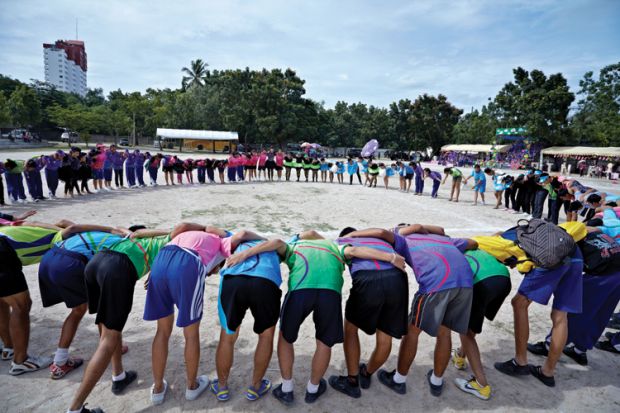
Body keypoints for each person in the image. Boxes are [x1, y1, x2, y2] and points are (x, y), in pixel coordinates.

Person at [224, 230, 406, 406]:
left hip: (300, 289)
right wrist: (391, 258)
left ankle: (286, 388)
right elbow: (356, 250)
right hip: (330, 294)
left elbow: (277, 242)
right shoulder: (334, 246)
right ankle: (313, 388)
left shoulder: (295, 245)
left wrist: (244, 254)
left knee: (286, 338)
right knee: (324, 343)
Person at [66, 223, 198, 413]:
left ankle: (118, 376)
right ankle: (75, 409)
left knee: (107, 327)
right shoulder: (164, 240)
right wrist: (171, 232)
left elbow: (137, 234)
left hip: (96, 264)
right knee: (108, 339)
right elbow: (180, 228)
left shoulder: (132, 240)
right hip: (117, 269)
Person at [145, 226, 265, 405]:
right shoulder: (219, 242)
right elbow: (243, 234)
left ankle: (157, 389)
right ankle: (192, 386)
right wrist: (263, 239)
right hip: (187, 263)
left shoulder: (194, 235)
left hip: (161, 261)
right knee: (191, 334)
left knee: (162, 331)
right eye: (214, 270)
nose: (211, 273)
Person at [378, 224, 477, 397]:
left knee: (413, 331)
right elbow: (472, 242)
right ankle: (436, 381)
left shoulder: (403, 240)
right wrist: (430, 230)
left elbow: (383, 235)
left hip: (436, 284)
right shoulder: (444, 239)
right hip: (466, 284)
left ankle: (399, 379)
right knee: (445, 333)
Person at [494, 226, 583, 387]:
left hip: (552, 260)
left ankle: (520, 362)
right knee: (560, 316)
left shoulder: (505, 240)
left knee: (519, 303)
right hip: (574, 257)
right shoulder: (533, 230)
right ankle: (547, 372)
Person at [38, 225, 130, 379]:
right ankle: (109, 347)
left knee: (78, 310)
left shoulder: (101, 233)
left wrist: (111, 229)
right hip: (69, 263)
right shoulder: (122, 244)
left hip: (49, 258)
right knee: (103, 307)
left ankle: (61, 360)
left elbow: (72, 227)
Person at [328, 227, 409, 399]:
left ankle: (352, 382)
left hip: (368, 279)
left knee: (350, 329)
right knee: (385, 334)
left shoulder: (342, 242)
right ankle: (367, 373)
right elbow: (380, 232)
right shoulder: (380, 240)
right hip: (397, 278)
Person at [528, 222, 620, 366]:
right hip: (617, 272)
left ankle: (549, 346)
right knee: (601, 314)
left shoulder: (567, 242)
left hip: (602, 275)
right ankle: (579, 349)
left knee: (577, 312)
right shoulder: (593, 232)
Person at [209, 234, 283, 402]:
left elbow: (238, 233)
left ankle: (222, 387)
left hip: (234, 280)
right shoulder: (272, 245)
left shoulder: (236, 241)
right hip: (265, 282)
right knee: (265, 337)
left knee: (227, 336)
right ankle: (255, 387)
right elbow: (279, 242)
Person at [451, 248, 512, 400]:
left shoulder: (451, 255)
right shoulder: (473, 247)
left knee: (464, 330)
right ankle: (460, 355)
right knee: (473, 322)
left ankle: (481, 385)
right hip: (503, 278)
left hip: (483, 283)